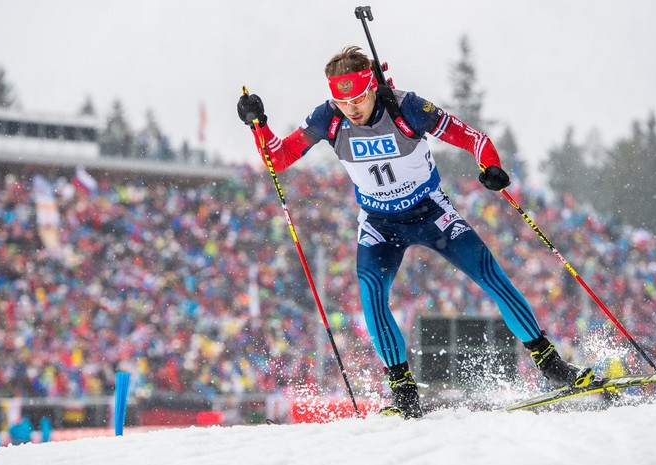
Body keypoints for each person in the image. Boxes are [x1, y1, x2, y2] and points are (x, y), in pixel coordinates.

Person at [237, 46, 596, 419]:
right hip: (379, 222)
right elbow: (277, 158)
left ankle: (551, 365)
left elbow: (473, 138)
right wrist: (257, 123)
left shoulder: (406, 107)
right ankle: (405, 394)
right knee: (371, 294)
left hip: (430, 211)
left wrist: (490, 166)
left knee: (490, 274)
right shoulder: (327, 118)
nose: (352, 108)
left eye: (359, 97)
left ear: (373, 86)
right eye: (343, 101)